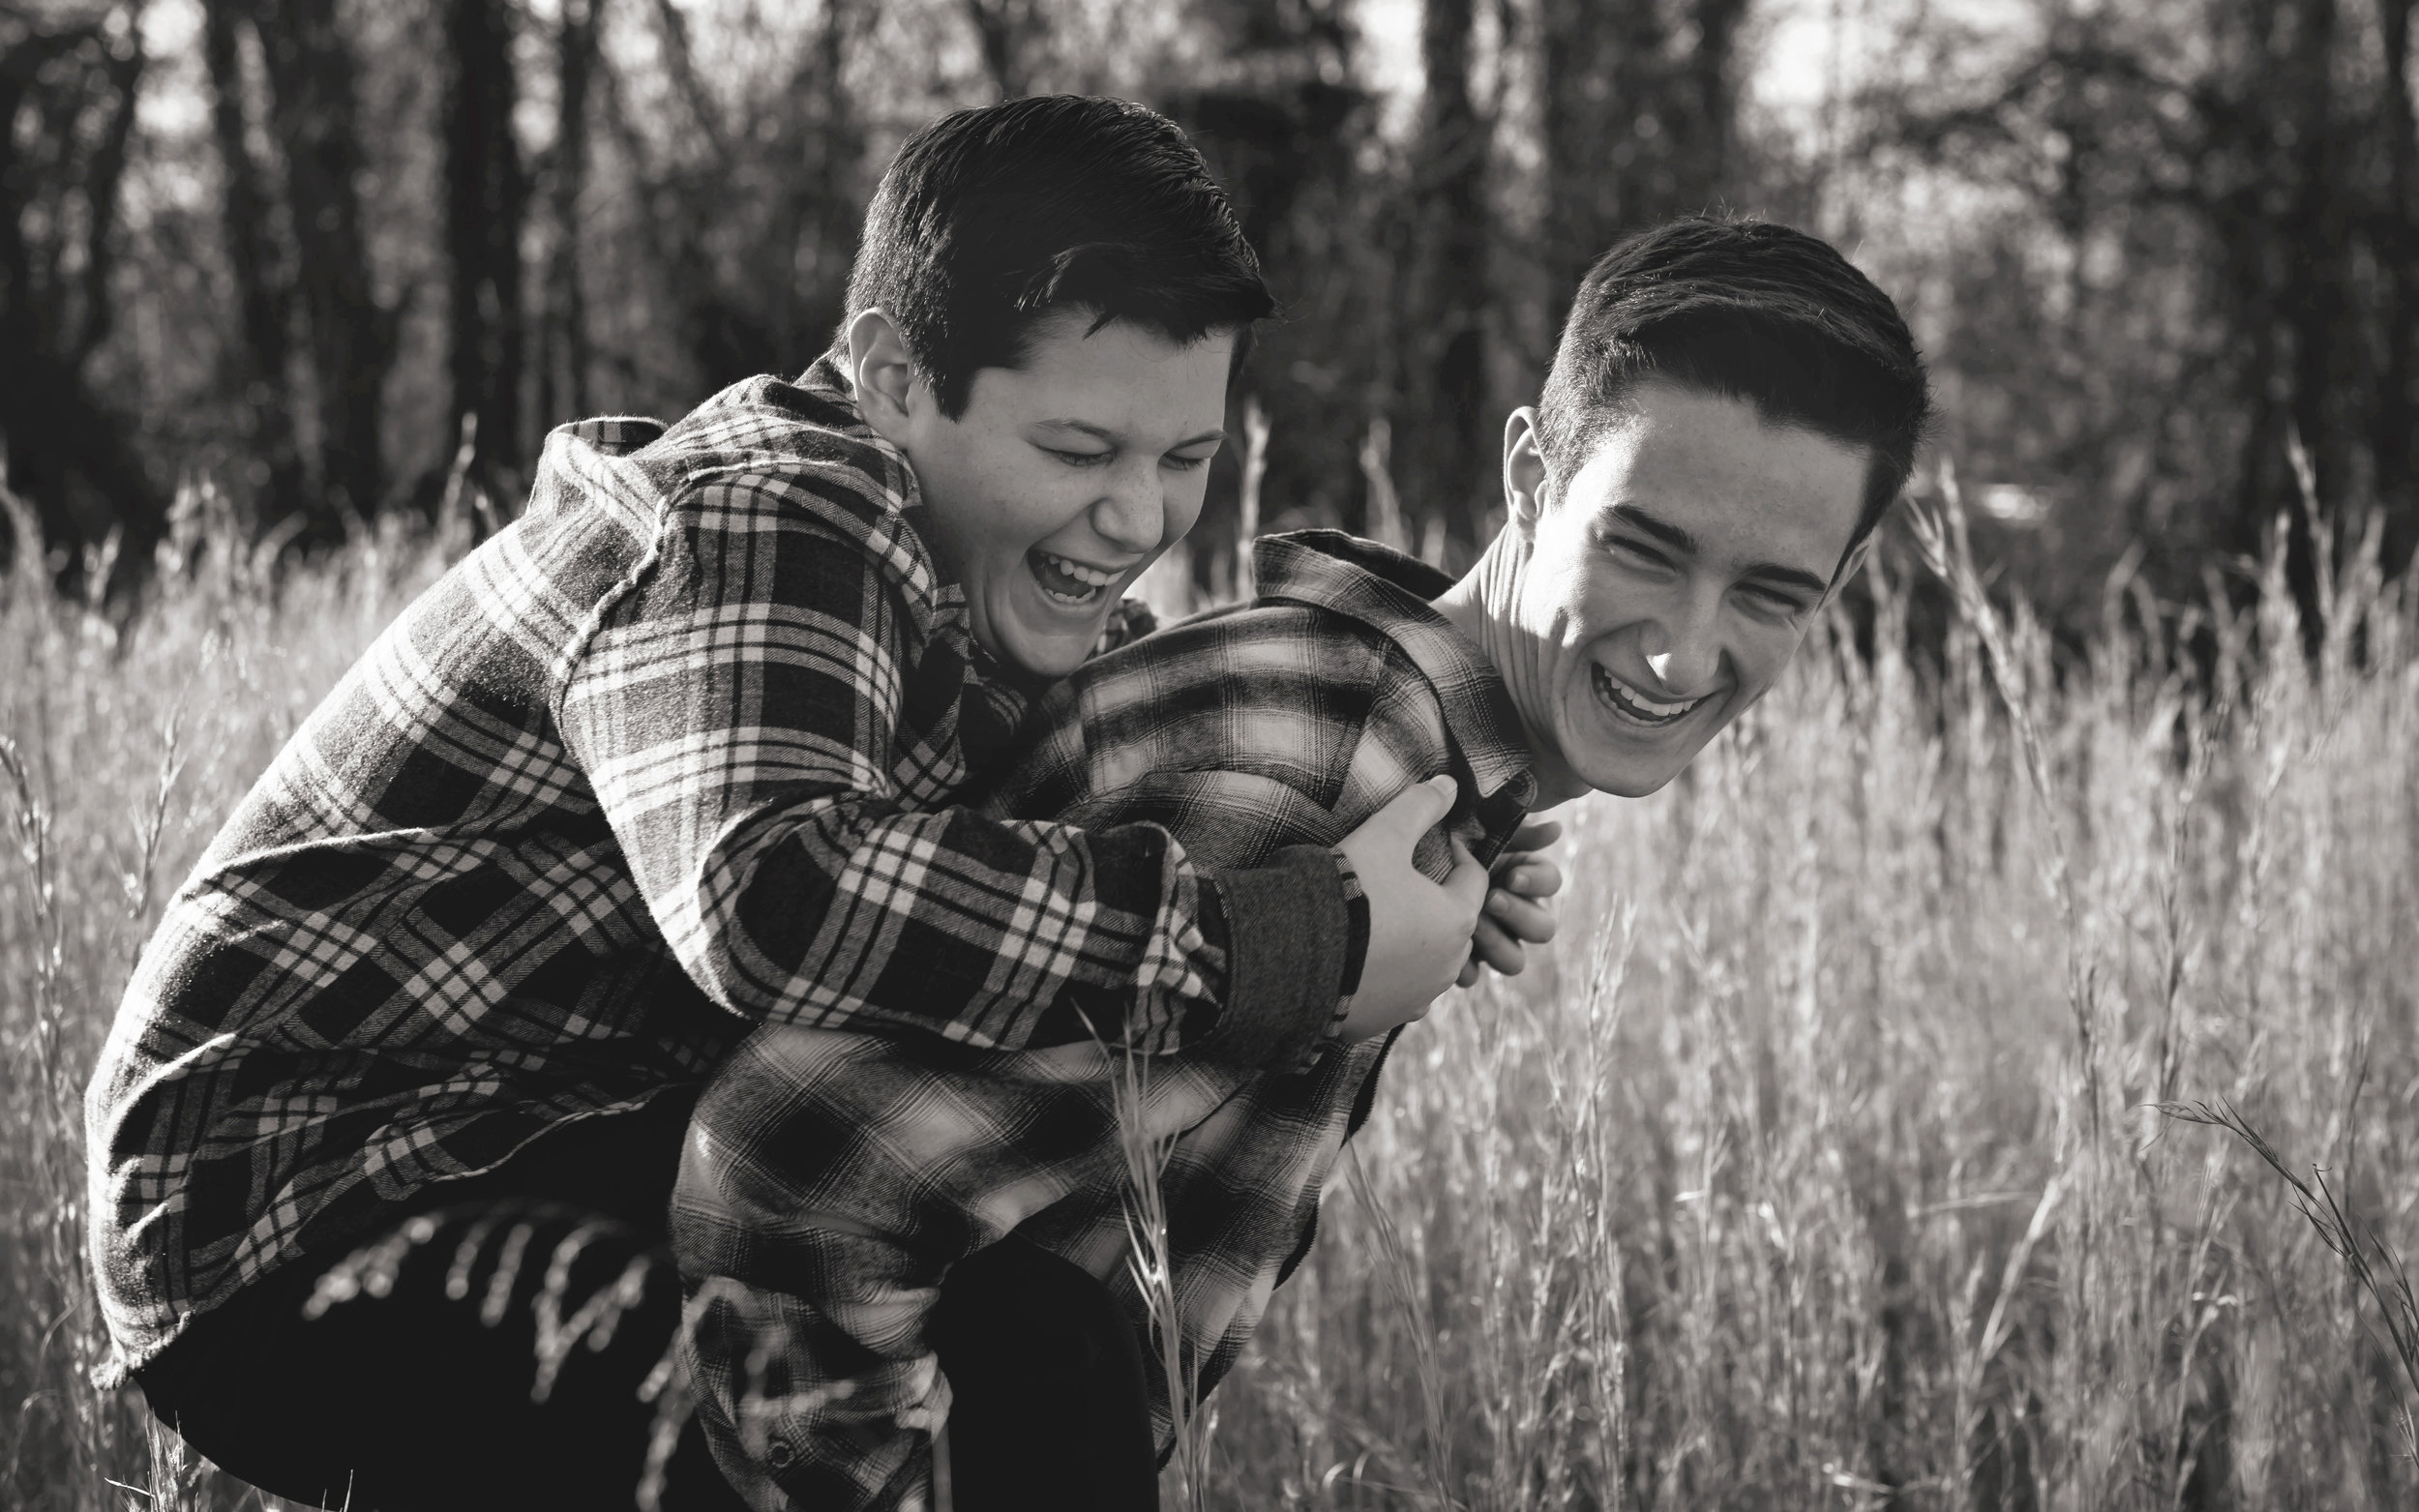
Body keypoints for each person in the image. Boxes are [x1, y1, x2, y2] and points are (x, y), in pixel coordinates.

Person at [82, 95, 1532, 1512]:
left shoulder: (959, 575)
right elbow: (773, 894)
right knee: (1021, 1351)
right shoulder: (764, 520)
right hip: (305, 1202)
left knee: (976, 1309)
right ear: (896, 376)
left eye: (1187, 459)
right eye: (1080, 451)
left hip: (522, 1135)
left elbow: (1089, 782)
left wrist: (1416, 843)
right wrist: (1280, 937)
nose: (1140, 518)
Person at [672, 212, 1934, 1511]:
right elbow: (790, 1165)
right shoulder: (1327, 780)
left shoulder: (1394, 754)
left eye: (1772, 592)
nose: (1682, 649)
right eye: (1643, 545)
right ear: (1529, 480)